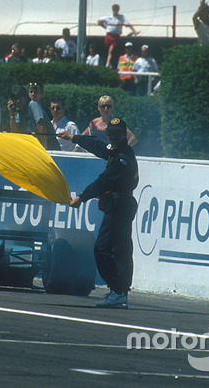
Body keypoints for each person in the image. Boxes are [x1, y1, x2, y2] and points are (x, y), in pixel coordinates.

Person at [59, 117, 139, 309]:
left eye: (117, 133)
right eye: (110, 133)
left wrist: (81, 197)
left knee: (106, 249)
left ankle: (118, 291)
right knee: (118, 249)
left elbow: (102, 181)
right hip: (119, 204)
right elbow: (97, 146)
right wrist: (73, 137)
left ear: (124, 135)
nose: (113, 137)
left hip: (120, 205)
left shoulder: (122, 159)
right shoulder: (116, 151)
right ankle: (119, 291)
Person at [27, 82, 60, 150]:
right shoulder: (35, 105)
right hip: (49, 141)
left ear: (41, 94)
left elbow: (41, 124)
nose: (33, 94)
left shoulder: (34, 104)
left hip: (48, 142)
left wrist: (44, 147)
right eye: (31, 92)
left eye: (35, 92)